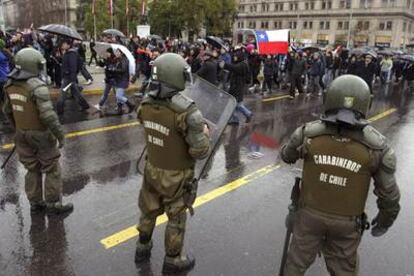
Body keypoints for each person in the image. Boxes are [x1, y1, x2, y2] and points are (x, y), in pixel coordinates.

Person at [279, 74, 400, 275]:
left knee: (294, 267)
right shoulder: (378, 147)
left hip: (309, 217)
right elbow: (389, 196)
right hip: (347, 224)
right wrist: (385, 220)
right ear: (367, 103)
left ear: (329, 97)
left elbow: (286, 155)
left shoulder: (308, 133)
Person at [135, 53, 210, 273]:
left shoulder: (146, 103)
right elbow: (200, 151)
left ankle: (142, 247)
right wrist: (204, 132)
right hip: (176, 175)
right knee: (176, 216)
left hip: (152, 167)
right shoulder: (187, 111)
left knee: (148, 210)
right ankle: (172, 259)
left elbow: (143, 119)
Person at [2, 48, 73, 215]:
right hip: (40, 134)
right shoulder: (37, 86)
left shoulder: (9, 84)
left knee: (32, 168)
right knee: (51, 167)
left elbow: (7, 110)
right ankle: (53, 204)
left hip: (22, 133)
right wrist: (59, 135)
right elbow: (48, 116)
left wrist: (18, 128)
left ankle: (35, 202)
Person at [56, 38, 90, 115]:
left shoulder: (72, 54)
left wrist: (72, 80)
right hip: (68, 77)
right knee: (76, 93)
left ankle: (59, 110)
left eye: (63, 44)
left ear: (68, 45)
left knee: (62, 94)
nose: (62, 45)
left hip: (69, 78)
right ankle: (85, 106)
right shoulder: (67, 53)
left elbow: (73, 67)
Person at [220, 47, 253, 124]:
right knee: (233, 104)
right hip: (235, 86)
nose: (234, 58)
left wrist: (225, 65)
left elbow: (234, 68)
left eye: (236, 57)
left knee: (237, 104)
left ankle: (248, 114)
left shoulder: (243, 65)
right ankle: (235, 119)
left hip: (238, 87)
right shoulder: (240, 63)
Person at [0, 39, 10, 124]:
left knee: (3, 99)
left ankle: (5, 117)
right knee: (5, 99)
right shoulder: (6, 53)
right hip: (6, 77)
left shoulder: (0, 54)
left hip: (1, 78)